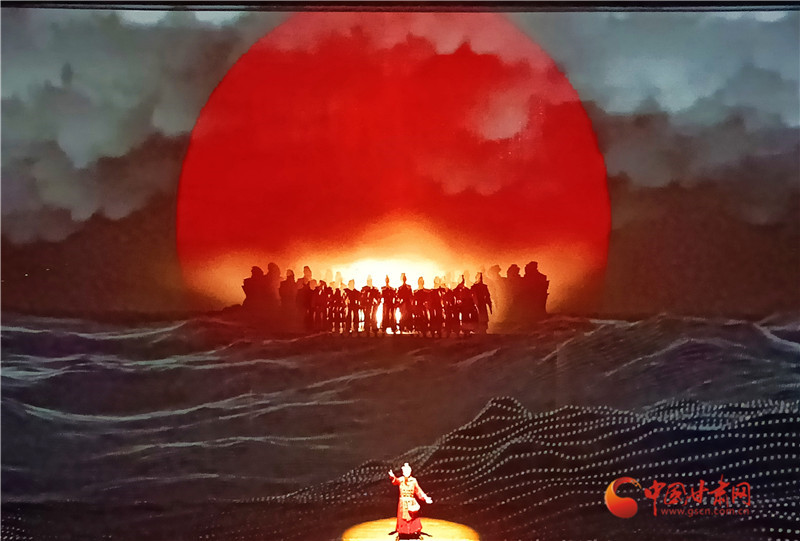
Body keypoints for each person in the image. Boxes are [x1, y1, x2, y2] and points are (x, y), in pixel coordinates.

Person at [388, 463, 432, 539]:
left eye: (407, 471)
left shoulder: (413, 480)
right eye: (405, 471)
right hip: (403, 503)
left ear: (410, 472)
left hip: (411, 502)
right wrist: (392, 476)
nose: (406, 473)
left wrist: (426, 498)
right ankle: (402, 533)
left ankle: (414, 533)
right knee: (403, 519)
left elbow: (418, 490)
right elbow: (396, 481)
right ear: (402, 472)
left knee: (413, 519)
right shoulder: (401, 480)